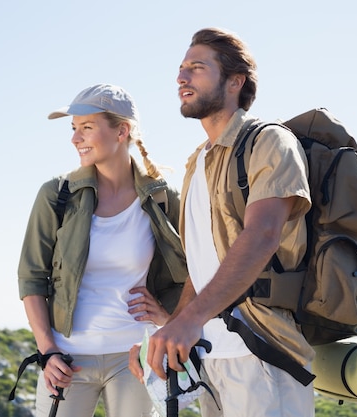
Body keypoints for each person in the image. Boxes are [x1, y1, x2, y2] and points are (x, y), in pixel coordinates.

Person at [130, 28, 316, 417]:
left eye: (196, 68)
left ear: (235, 82)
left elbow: (262, 236)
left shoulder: (268, 141)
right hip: (211, 357)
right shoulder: (197, 162)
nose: (182, 78)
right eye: (181, 69)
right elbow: (201, 267)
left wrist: (191, 320)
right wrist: (166, 334)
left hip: (262, 354)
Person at [17, 83, 187, 417]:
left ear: (121, 131)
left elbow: (195, 272)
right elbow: (31, 278)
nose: (75, 138)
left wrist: (168, 319)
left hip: (135, 357)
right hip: (67, 360)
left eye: (87, 127)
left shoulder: (163, 199)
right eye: (74, 128)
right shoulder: (57, 195)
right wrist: (48, 352)